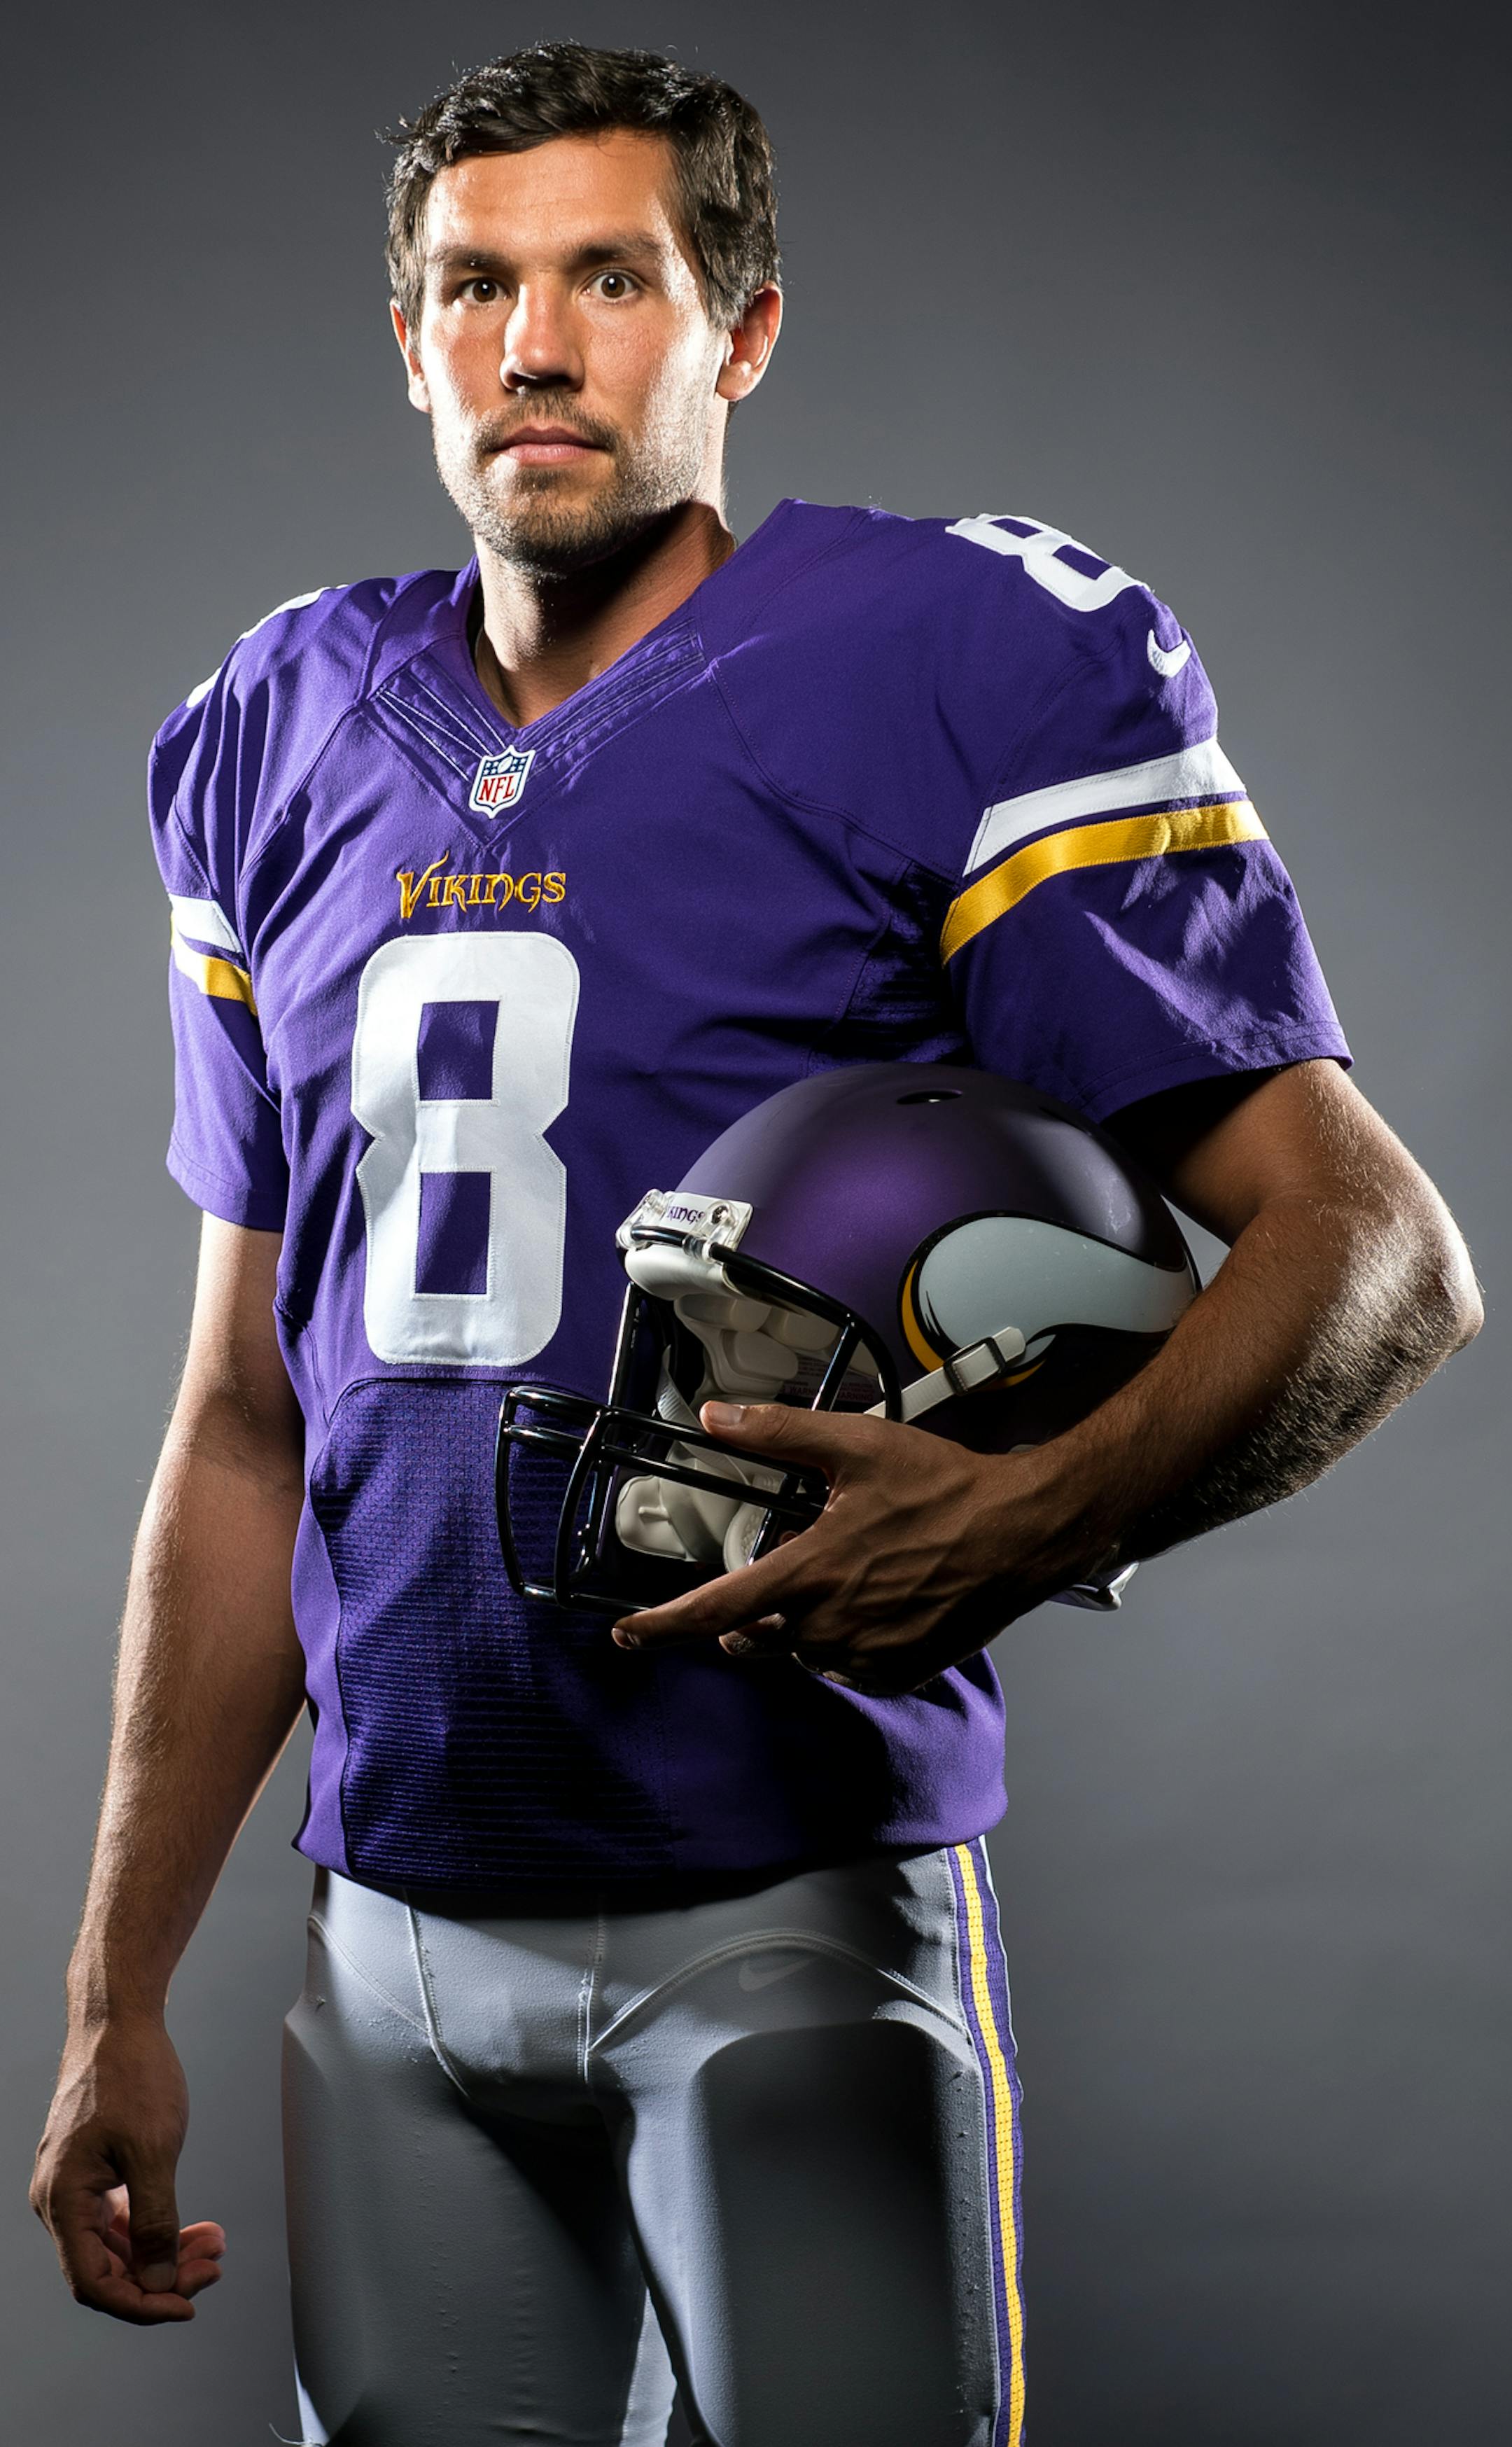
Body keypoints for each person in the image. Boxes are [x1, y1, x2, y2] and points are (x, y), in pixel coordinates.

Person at [29, 40, 1480, 2447]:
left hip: (779, 1907)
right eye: (475, 286)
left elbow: (1377, 1250)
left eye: (613, 276)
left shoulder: (942, 660)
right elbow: (249, 1421)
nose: (536, 343)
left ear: (743, 324)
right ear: (408, 339)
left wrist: (1039, 1515)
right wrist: (111, 1994)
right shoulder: (278, 729)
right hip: (382, 1941)